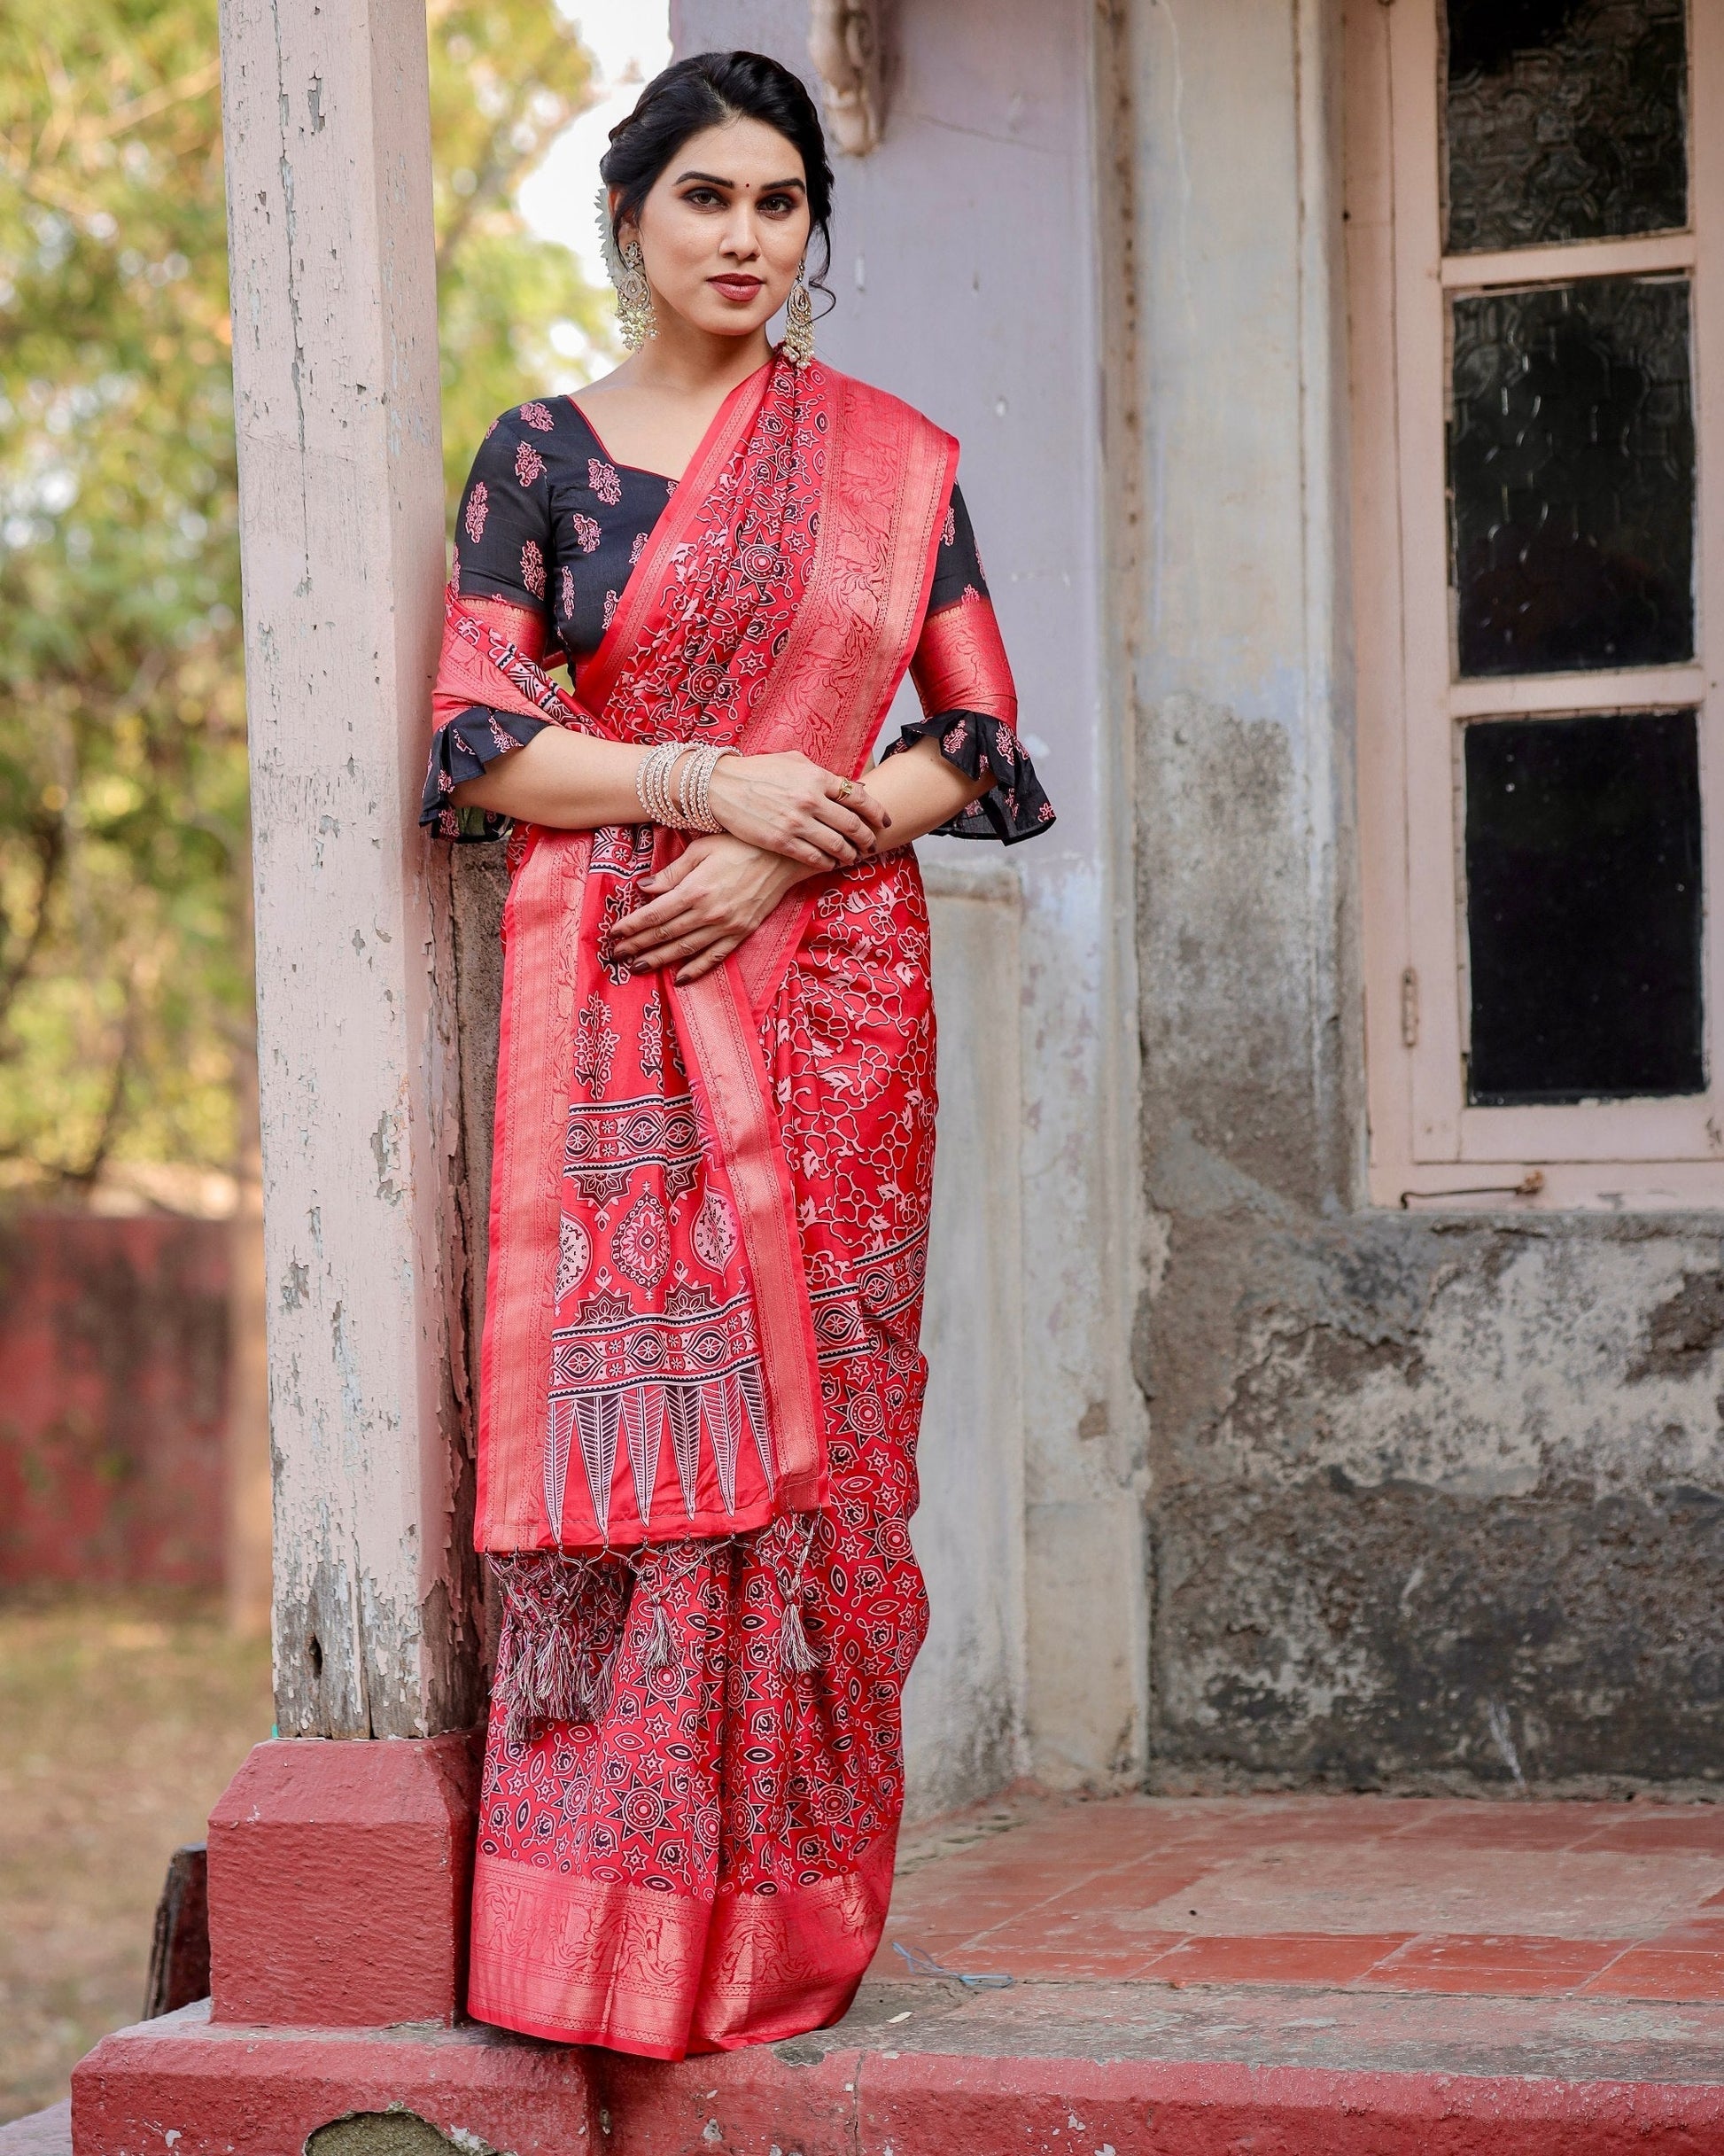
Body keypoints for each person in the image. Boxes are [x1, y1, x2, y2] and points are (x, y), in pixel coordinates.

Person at [423, 48, 1053, 2060]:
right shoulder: (540, 458)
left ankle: (781, 1923)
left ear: (811, 234)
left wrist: (785, 857)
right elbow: (476, 741)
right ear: (631, 217)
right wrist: (712, 782)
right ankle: (601, 1938)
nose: (744, 237)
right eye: (706, 197)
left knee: (820, 1446)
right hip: (617, 998)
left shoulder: (884, 461)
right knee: (646, 1464)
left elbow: (974, 741)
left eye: (780, 203)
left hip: (833, 998)